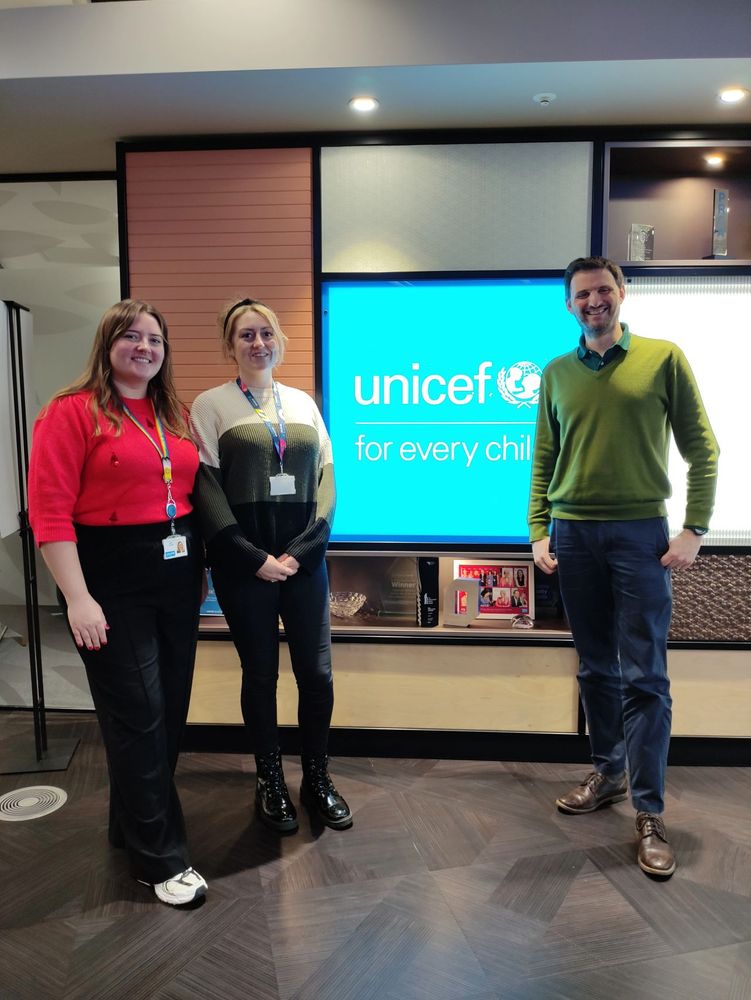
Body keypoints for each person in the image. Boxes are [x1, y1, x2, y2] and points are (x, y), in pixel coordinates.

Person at [529, 256, 719, 879]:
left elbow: (703, 449)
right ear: (569, 304)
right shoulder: (556, 373)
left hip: (640, 537)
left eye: (604, 291)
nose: (594, 302)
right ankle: (609, 771)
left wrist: (694, 528)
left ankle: (649, 811)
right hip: (573, 535)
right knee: (593, 667)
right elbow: (544, 459)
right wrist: (537, 529)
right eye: (583, 294)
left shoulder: (662, 358)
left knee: (645, 678)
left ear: (622, 294)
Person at [27, 299, 207, 906]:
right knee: (140, 714)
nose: (144, 348)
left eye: (154, 339)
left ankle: (128, 826)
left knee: (170, 710)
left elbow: (186, 494)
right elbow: (49, 513)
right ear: (107, 345)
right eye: (130, 337)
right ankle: (160, 860)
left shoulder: (171, 413)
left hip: (176, 574)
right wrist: (78, 599)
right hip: (106, 576)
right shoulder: (70, 411)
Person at [190, 297, 352, 833]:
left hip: (305, 562)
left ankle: (317, 779)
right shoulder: (211, 406)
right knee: (260, 676)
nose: (257, 343)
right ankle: (269, 780)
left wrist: (303, 551)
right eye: (245, 335)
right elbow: (206, 491)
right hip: (246, 567)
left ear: (279, 340)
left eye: (265, 333)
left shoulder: (302, 403)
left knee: (318, 675)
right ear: (230, 345)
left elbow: (328, 481)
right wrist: (252, 557)